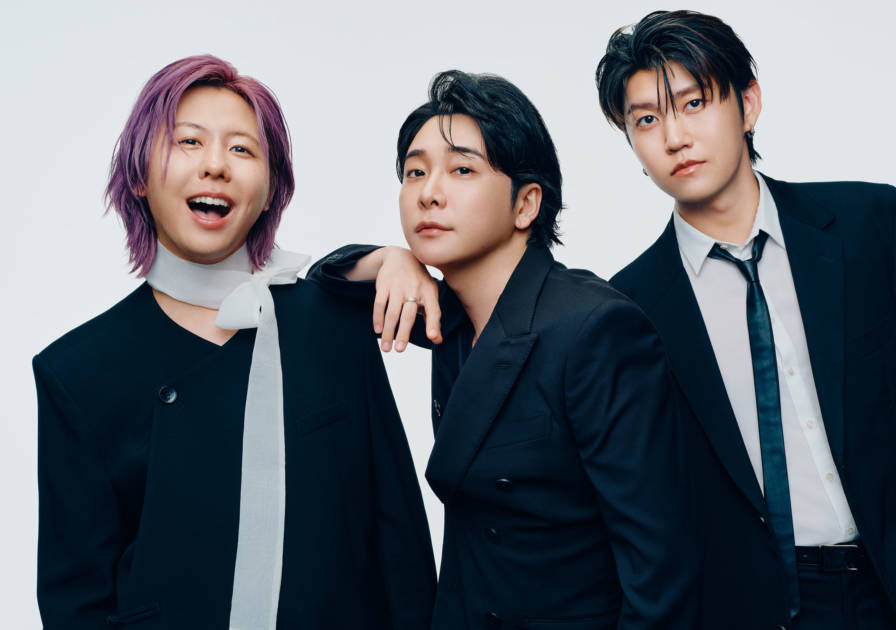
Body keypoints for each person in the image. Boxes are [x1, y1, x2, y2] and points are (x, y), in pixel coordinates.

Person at [32, 55, 435, 629]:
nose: (216, 165)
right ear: (139, 176)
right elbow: (76, 601)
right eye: (188, 141)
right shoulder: (77, 371)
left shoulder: (334, 321)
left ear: (270, 191)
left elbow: (400, 541)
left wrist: (393, 258)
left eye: (243, 149)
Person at [595, 10, 896, 630]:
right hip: (756, 606)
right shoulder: (628, 306)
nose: (674, 137)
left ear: (748, 103)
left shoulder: (868, 223)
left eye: (694, 103)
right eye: (645, 119)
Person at [310, 70, 696, 629]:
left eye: (462, 170)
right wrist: (388, 258)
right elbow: (321, 289)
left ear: (526, 204)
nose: (429, 192)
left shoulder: (594, 329)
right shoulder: (449, 315)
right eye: (415, 171)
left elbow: (660, 572)